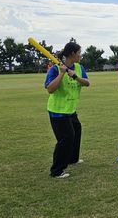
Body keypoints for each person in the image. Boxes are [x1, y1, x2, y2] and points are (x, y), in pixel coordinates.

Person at [44, 42, 90, 179]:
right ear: (72, 54)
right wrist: (62, 74)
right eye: (79, 53)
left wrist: (74, 76)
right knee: (66, 137)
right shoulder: (55, 69)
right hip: (57, 111)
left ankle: (72, 159)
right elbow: (50, 89)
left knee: (76, 131)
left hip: (70, 110)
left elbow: (87, 83)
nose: (80, 55)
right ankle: (57, 170)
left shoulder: (78, 67)